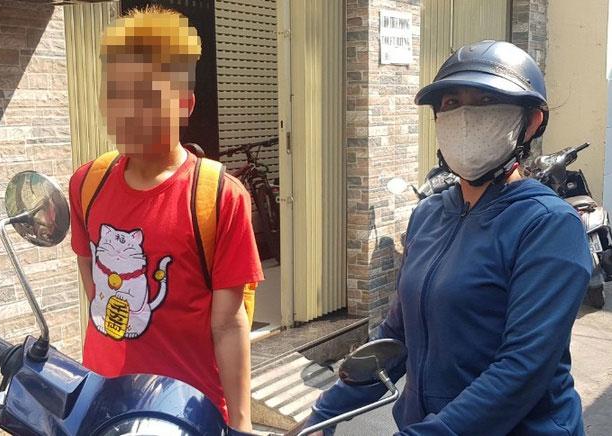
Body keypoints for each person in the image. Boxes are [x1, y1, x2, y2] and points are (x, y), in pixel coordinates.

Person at [302, 40, 592, 435]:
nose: (466, 117)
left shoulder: (548, 226)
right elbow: (397, 336)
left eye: (486, 101)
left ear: (531, 121)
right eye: (452, 103)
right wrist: (322, 415)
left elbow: (522, 369)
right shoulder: (428, 215)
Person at [68, 6, 263, 432]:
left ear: (184, 104)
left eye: (145, 97)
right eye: (115, 94)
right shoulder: (87, 183)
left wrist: (241, 424)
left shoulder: (219, 196)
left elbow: (229, 324)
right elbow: (92, 277)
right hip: (104, 402)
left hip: (186, 410)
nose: (126, 111)